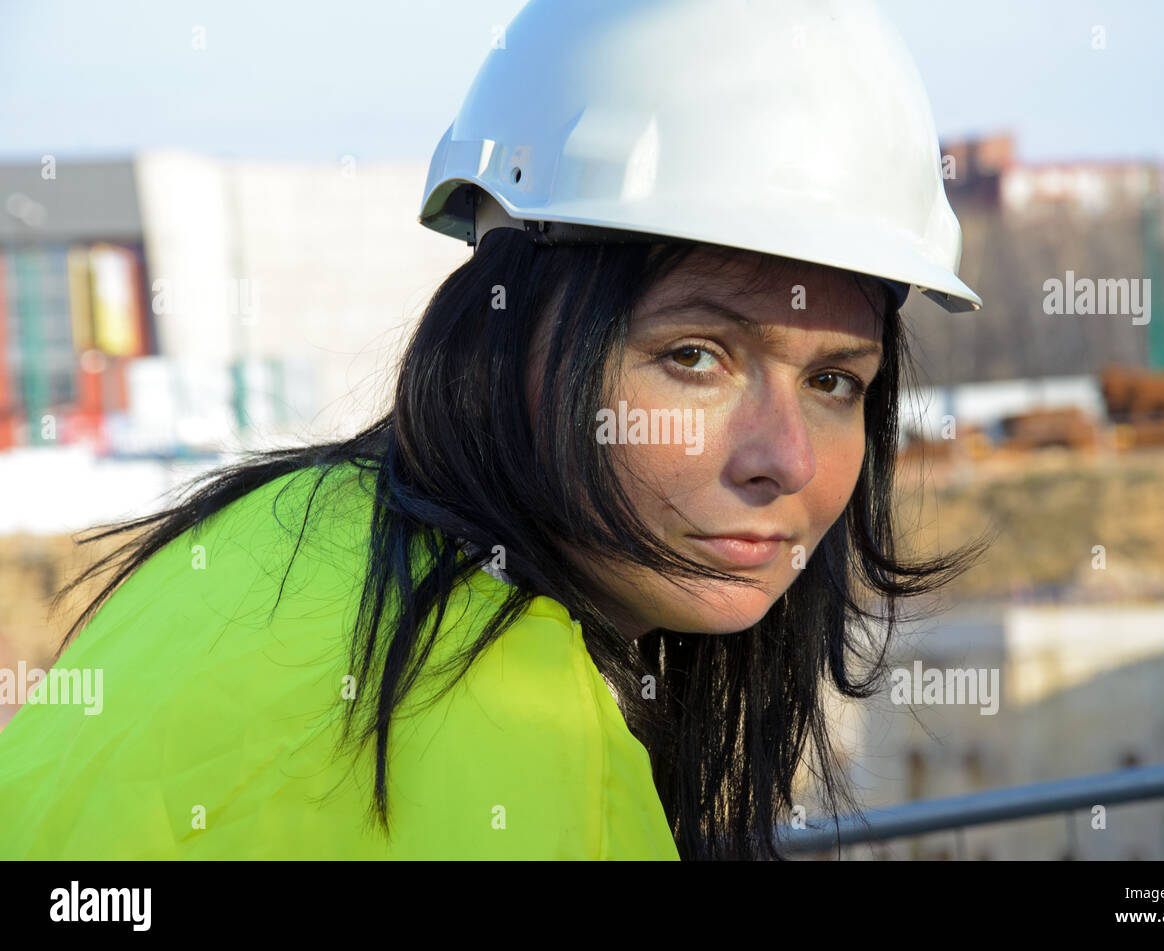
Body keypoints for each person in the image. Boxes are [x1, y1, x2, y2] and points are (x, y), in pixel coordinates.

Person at [0, 0, 989, 860]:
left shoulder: (263, 535)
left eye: (832, 381)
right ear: (506, 332)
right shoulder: (521, 738)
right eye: (694, 356)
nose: (787, 459)